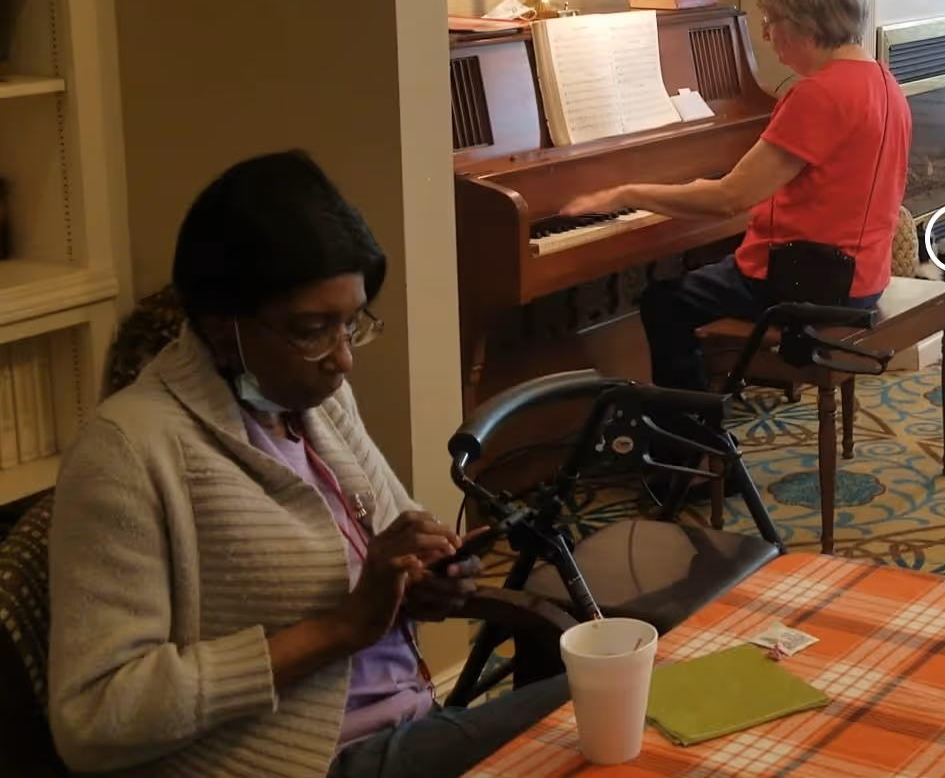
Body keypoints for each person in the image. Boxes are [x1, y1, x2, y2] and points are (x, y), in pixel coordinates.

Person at [47, 152, 566, 778]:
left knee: (630, 677)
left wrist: (424, 577)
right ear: (221, 326)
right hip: (306, 762)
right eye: (311, 329)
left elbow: (390, 550)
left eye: (350, 323)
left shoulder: (315, 404)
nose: (342, 359)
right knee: (602, 702)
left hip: (409, 722)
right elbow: (94, 718)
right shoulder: (129, 449)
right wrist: (340, 628)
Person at [562, 0, 911, 392]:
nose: (767, 36)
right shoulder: (883, 79)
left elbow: (729, 199)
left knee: (663, 301)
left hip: (809, 285)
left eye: (771, 21)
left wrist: (627, 193)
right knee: (710, 269)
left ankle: (687, 436)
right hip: (862, 275)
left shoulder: (817, 94)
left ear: (804, 23)